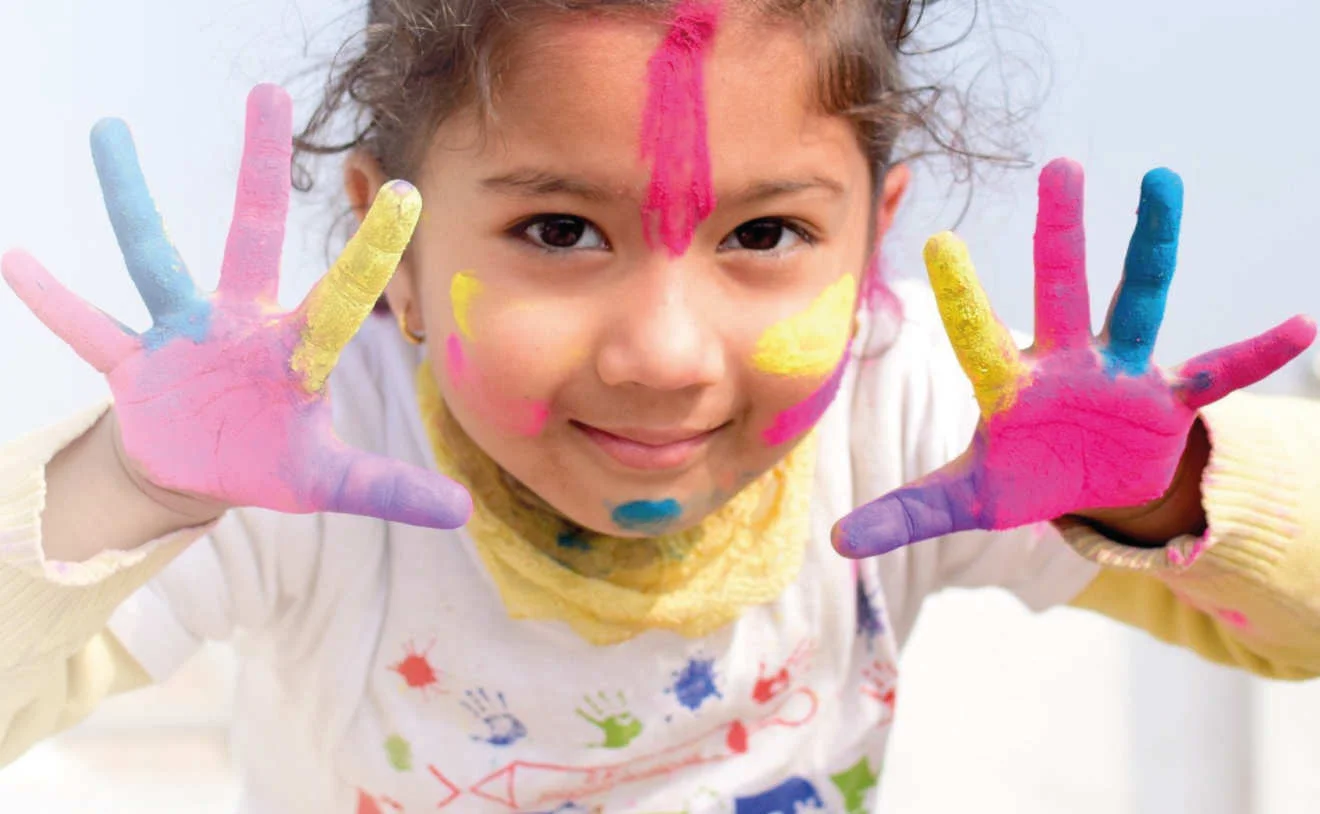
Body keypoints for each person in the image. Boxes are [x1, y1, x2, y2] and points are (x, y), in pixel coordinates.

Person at [2, 1, 1318, 811]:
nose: (665, 355)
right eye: (560, 230)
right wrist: (137, 486)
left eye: (765, 234)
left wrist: (1163, 491)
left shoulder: (911, 414)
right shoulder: (300, 456)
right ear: (390, 249)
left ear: (872, 244)